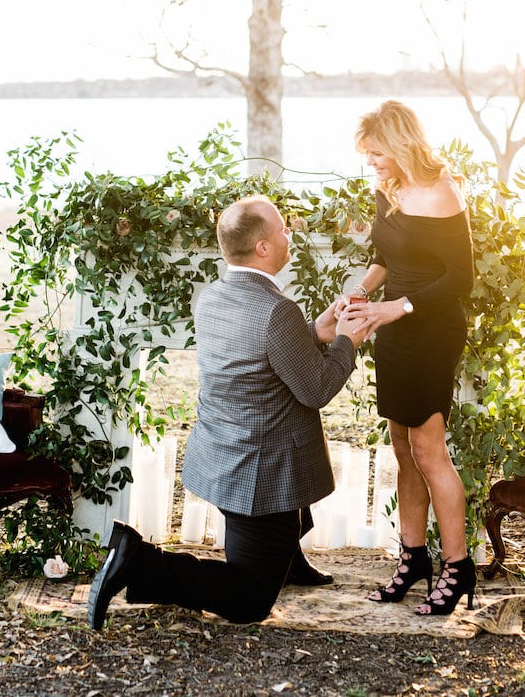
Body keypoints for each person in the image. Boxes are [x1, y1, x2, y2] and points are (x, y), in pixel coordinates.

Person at [87, 195, 364, 630]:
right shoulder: (277, 310)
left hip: (222, 450)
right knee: (249, 600)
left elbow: (258, 356)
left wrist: (314, 332)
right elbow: (316, 389)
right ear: (263, 248)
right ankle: (137, 560)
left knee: (289, 475)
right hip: (260, 473)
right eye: (282, 230)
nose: (289, 234)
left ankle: (286, 561)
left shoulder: (214, 296)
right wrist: (346, 339)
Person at [341, 100, 475, 617]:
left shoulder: (442, 192)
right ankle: (413, 557)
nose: (371, 163)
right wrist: (359, 292)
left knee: (429, 450)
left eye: (376, 153)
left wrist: (398, 306)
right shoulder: (388, 189)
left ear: (399, 145)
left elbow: (460, 279)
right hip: (391, 325)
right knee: (402, 447)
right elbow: (385, 258)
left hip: (431, 328)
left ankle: (458, 567)